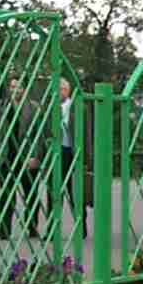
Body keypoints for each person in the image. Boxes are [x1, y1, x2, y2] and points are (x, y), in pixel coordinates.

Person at [0, 75, 46, 239]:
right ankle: (4, 229)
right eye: (12, 87)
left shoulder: (34, 108)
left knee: (31, 195)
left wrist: (35, 157)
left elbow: (40, 135)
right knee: (6, 195)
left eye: (18, 87)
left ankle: (32, 227)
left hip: (27, 158)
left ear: (24, 89)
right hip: (6, 157)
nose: (15, 90)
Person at [58, 78, 87, 238]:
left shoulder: (77, 108)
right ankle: (52, 229)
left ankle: (81, 228)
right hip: (57, 153)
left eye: (61, 89)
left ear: (67, 91)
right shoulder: (50, 108)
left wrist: (86, 159)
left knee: (75, 192)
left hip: (73, 152)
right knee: (54, 192)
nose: (58, 92)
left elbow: (87, 135)